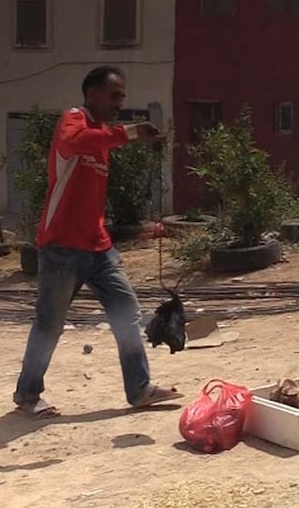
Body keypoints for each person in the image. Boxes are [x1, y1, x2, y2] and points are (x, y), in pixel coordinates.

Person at [13, 66, 180, 418]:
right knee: (49, 323)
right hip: (61, 246)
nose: (121, 102)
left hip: (98, 245)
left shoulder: (102, 136)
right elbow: (77, 143)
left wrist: (129, 136)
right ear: (92, 95)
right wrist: (131, 133)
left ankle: (140, 389)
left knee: (127, 313)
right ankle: (28, 395)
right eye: (114, 95)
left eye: (122, 96)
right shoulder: (74, 120)